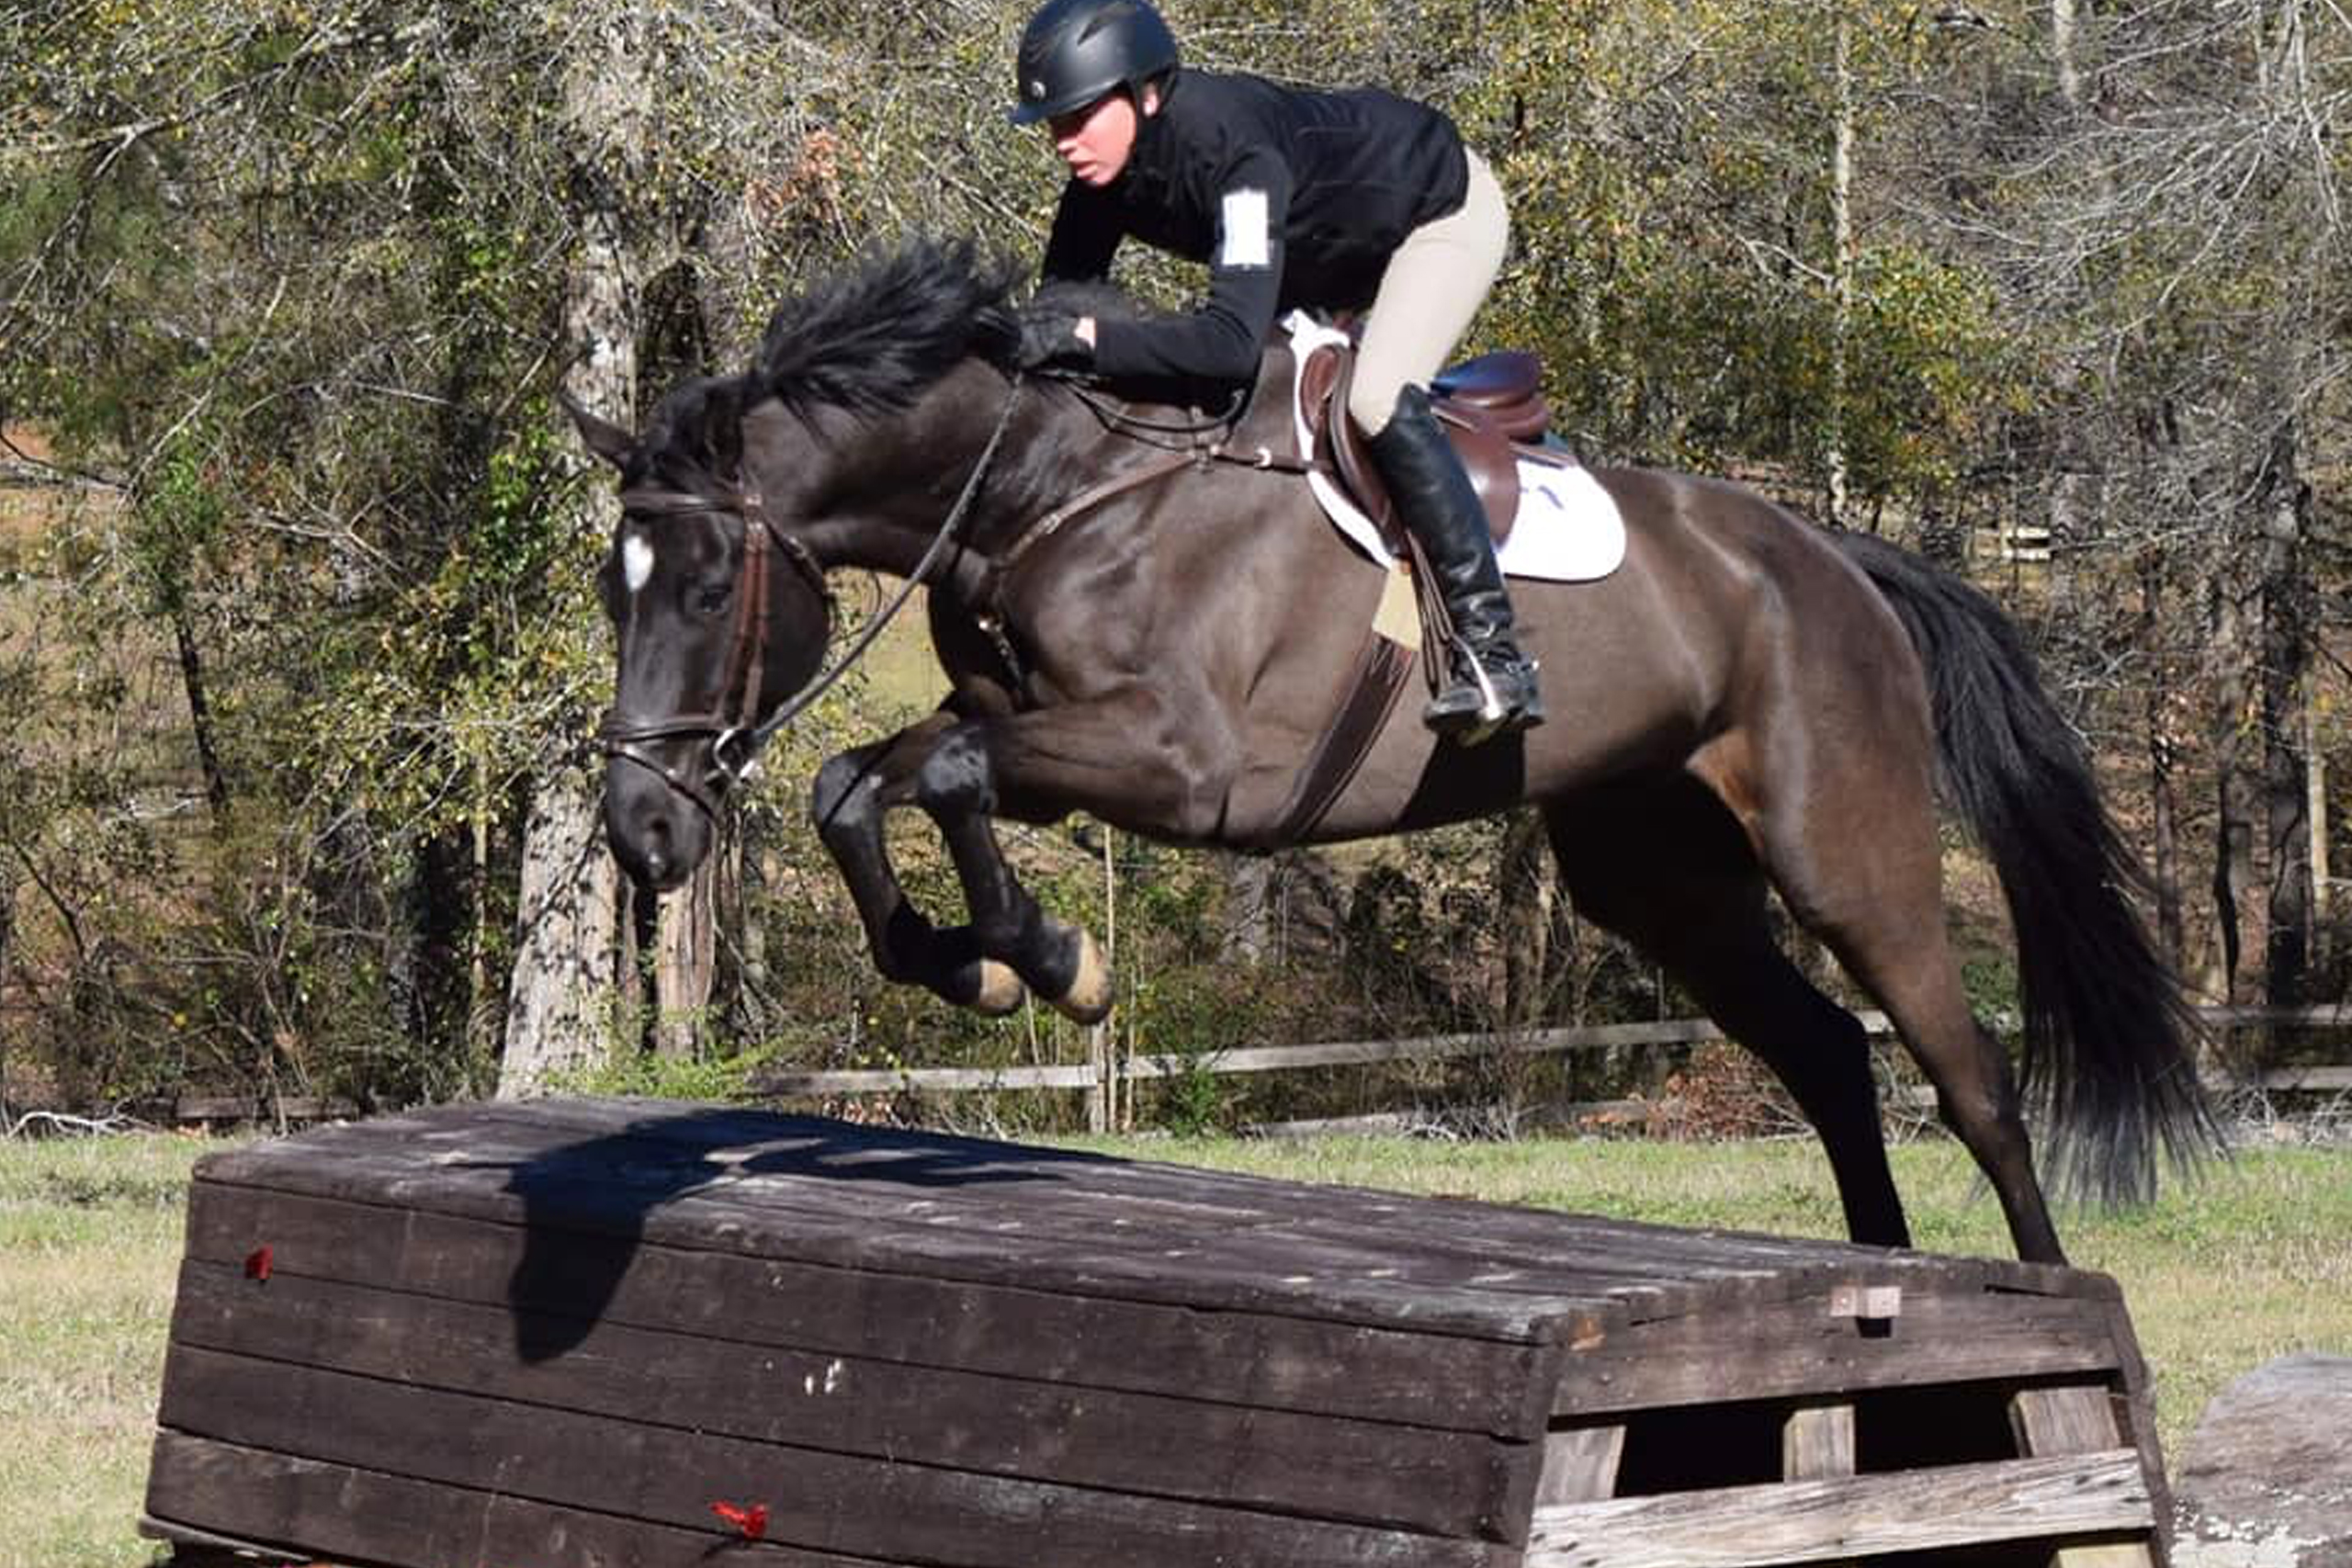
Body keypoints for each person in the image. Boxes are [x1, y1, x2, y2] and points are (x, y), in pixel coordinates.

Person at [1006, 0, 1543, 740]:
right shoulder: (1102, 181)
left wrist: (1089, 335)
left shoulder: (1236, 155)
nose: (1064, 142)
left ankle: (1493, 652)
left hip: (1435, 214)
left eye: (1078, 118)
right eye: (1054, 126)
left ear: (1147, 93)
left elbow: (1224, 342)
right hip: (1323, 248)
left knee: (1376, 396)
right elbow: (1051, 328)